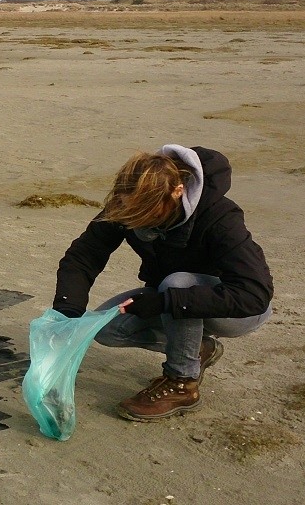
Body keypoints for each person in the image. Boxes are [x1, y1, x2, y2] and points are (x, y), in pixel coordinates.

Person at [51, 145, 273, 422]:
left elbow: (254, 295)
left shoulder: (220, 217)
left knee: (176, 282)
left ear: (177, 192)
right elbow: (83, 257)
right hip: (173, 298)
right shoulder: (129, 201)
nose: (137, 222)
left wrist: (166, 301)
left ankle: (182, 383)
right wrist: (67, 311)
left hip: (238, 311)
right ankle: (199, 349)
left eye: (146, 214)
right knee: (105, 330)